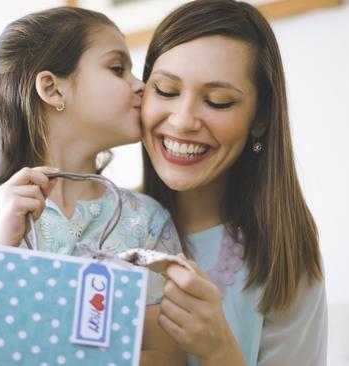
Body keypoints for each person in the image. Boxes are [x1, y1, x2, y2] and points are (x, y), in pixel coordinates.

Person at [0, 6, 185, 365]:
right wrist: (2, 243)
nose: (140, 85)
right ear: (52, 88)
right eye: (117, 68)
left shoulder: (147, 222)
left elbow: (166, 357)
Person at [139, 1, 327, 365]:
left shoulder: (283, 253)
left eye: (218, 101)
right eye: (165, 90)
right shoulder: (98, 221)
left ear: (259, 119)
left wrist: (219, 349)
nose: (182, 122)